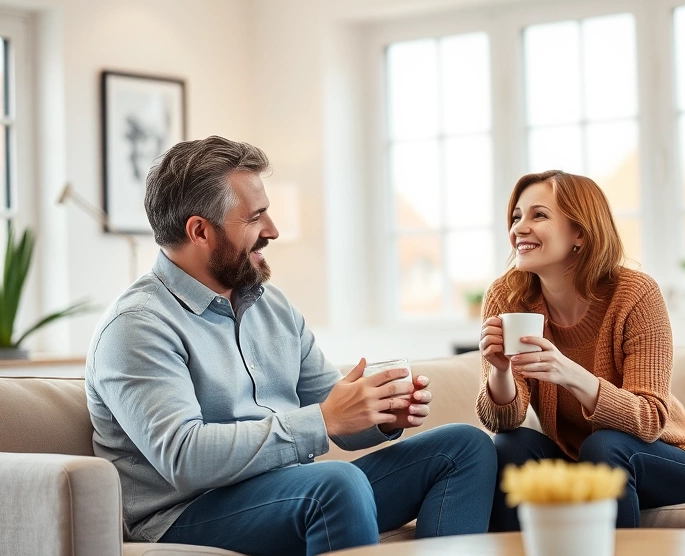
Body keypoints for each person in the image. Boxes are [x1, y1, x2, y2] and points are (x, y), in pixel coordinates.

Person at [85, 136, 496, 556]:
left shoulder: (272, 306)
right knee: (336, 484)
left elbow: (333, 408)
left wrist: (381, 415)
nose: (273, 231)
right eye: (256, 217)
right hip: (186, 513)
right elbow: (185, 460)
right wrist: (324, 420)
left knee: (465, 447)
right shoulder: (136, 326)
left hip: (290, 492)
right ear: (200, 231)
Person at [476, 170, 685, 531]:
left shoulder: (634, 294)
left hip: (669, 459)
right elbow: (503, 420)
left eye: (538, 215)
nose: (519, 228)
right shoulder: (508, 296)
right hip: (584, 462)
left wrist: (570, 374)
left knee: (605, 446)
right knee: (510, 445)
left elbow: (649, 419)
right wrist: (500, 370)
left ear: (580, 234)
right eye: (516, 217)